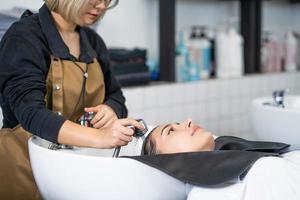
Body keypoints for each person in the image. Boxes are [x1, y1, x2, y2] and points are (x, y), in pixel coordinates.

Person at [0, 0, 144, 199]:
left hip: (74, 173)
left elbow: (116, 96)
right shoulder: (23, 37)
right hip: (26, 172)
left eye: (108, 0)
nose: (102, 6)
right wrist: (101, 137)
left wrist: (110, 109)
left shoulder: (93, 41)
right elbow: (31, 114)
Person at [137, 118, 300, 200]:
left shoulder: (253, 160)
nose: (188, 121)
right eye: (171, 131)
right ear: (163, 161)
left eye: (178, 123)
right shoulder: (205, 195)